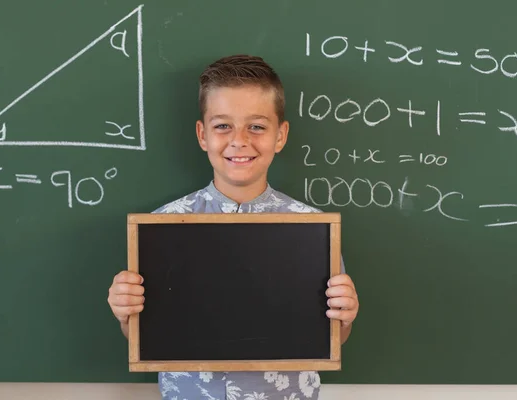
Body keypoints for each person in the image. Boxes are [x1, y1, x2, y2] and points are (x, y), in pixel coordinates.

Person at [107, 54, 359, 400]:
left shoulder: (314, 231)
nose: (239, 140)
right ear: (202, 134)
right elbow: (149, 330)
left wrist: (344, 318)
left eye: (256, 126)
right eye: (223, 126)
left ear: (280, 135)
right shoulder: (161, 227)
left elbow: (330, 335)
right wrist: (125, 312)